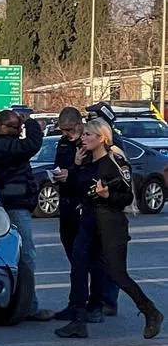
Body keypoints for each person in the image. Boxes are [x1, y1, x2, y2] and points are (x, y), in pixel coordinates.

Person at [55, 118, 163, 340]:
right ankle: (77, 320)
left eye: (87, 135)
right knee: (78, 267)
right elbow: (79, 188)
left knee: (117, 274)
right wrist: (74, 167)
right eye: (83, 135)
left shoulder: (114, 163)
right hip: (88, 223)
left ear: (101, 138)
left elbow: (127, 196)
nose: (83, 139)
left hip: (110, 225)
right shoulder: (86, 162)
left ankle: (151, 312)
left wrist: (107, 195)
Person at [0, 109, 52, 321]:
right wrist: (29, 122)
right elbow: (34, 143)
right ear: (5, 127)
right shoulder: (8, 147)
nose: (20, 129)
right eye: (17, 126)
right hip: (15, 208)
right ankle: (29, 306)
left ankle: (19, 302)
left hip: (4, 207)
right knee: (26, 256)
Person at [52, 107, 118, 321]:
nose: (66, 134)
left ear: (80, 126)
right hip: (68, 206)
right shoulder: (64, 143)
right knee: (76, 260)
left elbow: (93, 177)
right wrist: (64, 174)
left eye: (69, 130)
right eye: (63, 130)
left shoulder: (92, 145)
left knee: (93, 260)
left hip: (88, 209)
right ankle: (77, 305)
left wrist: (72, 172)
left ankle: (96, 304)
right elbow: (62, 167)